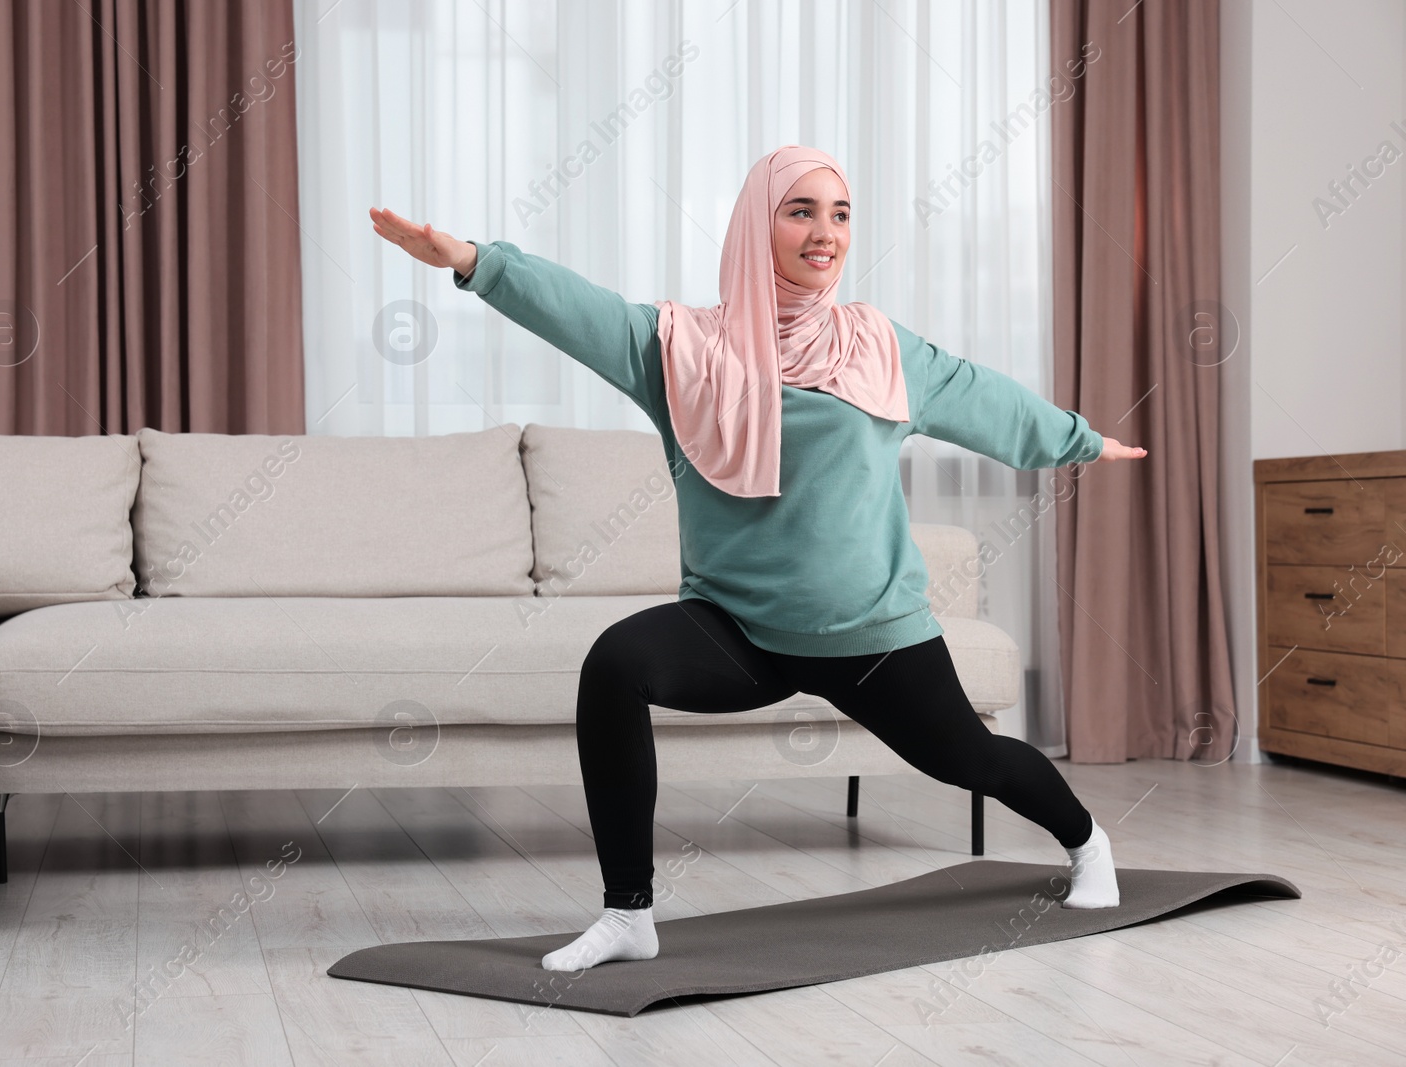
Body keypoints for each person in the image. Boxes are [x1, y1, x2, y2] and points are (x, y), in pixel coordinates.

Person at [370, 145, 1146, 973]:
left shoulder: (880, 348)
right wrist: (475, 264)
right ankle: (628, 913)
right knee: (615, 665)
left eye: (840, 214)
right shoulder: (681, 348)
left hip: (871, 632)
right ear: (756, 223)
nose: (826, 233)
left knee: (973, 759)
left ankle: (1086, 840)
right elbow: (579, 310)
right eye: (800, 210)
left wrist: (1083, 440)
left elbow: (983, 397)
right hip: (737, 631)